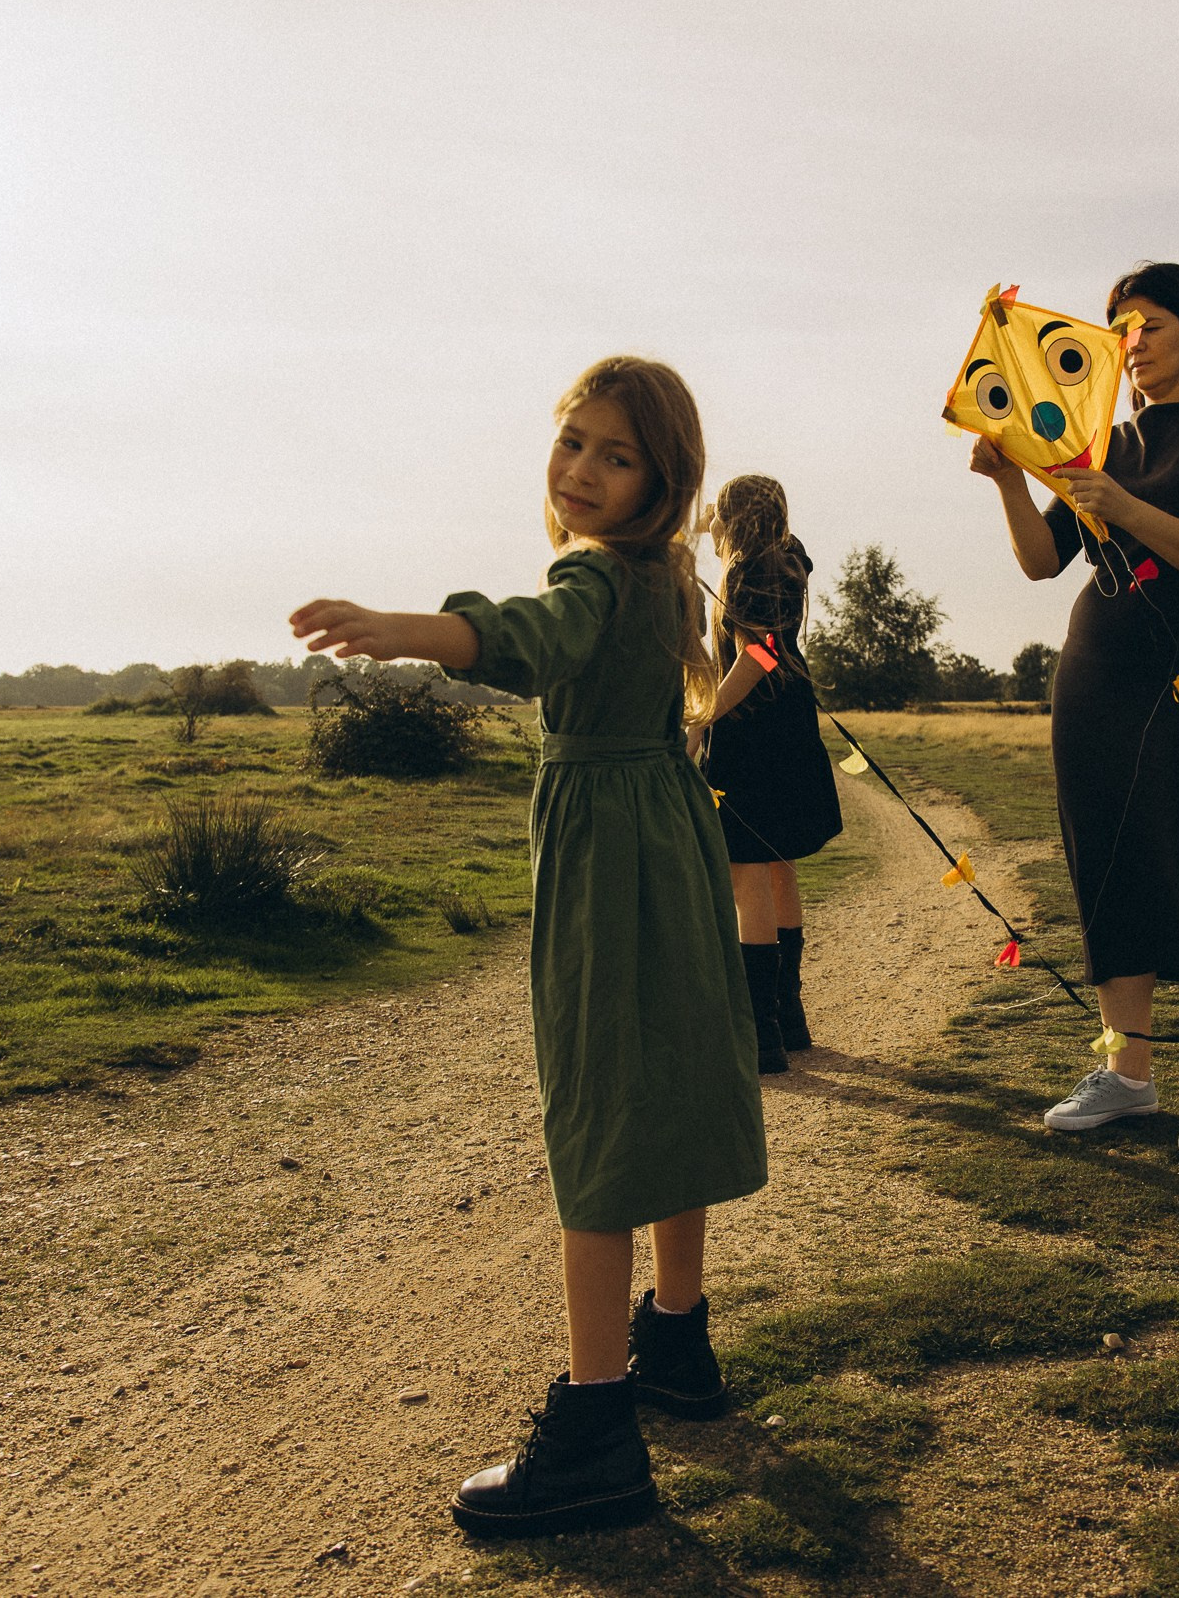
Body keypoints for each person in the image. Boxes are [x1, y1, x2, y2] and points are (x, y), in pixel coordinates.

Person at [289, 356, 766, 1538]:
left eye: (617, 454)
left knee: (600, 1102)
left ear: (664, 477)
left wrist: (405, 628)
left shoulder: (599, 573)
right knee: (670, 1076)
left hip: (612, 847)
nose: (585, 470)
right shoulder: (673, 577)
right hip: (670, 829)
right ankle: (678, 1342)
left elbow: (534, 634)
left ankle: (598, 1426)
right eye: (573, 443)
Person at [967, 261, 1179, 1156]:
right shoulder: (1096, 441)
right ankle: (1127, 1075)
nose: (1131, 346)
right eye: (1120, 330)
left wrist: (1126, 506)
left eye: (1148, 326)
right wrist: (1011, 483)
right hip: (1094, 680)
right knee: (1107, 868)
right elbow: (1038, 562)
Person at [693, 474, 843, 1074]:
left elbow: (759, 654)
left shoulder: (745, 571)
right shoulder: (787, 561)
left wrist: (705, 715)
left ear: (734, 520)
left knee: (747, 874)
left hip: (751, 731)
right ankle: (790, 1015)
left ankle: (760, 1036)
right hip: (790, 726)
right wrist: (709, 523)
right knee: (778, 864)